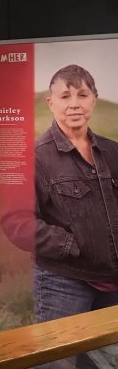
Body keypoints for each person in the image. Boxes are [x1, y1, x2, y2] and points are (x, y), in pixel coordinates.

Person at [31, 65, 118, 325]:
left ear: (94, 98)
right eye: (65, 96)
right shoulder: (34, 156)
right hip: (63, 281)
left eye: (82, 95)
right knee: (53, 364)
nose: (74, 104)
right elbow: (16, 221)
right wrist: (70, 245)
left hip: (114, 282)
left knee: (104, 363)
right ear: (50, 102)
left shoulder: (113, 151)